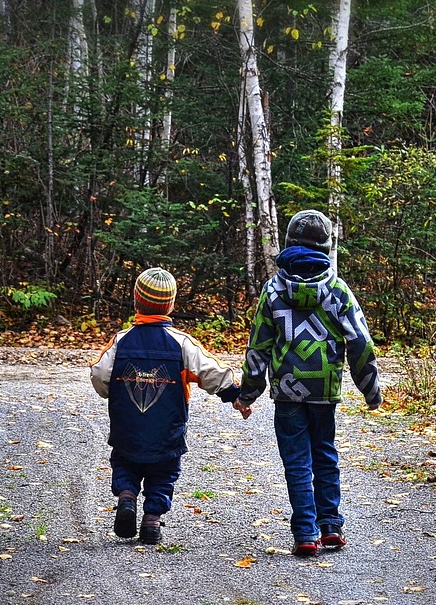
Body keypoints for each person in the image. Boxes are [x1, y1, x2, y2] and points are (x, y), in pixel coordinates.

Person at [235, 209, 381, 557]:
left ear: (288, 243)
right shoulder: (337, 291)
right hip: (324, 391)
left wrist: (248, 392)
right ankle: (330, 525)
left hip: (287, 392)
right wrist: (370, 389)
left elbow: (259, 346)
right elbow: (360, 342)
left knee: (297, 461)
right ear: (326, 246)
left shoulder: (273, 290)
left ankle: (305, 533)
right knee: (325, 454)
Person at [90, 267, 250, 544]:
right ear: (171, 304)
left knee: (124, 463)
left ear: (136, 300)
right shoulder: (182, 344)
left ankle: (127, 497)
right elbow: (211, 371)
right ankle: (152, 521)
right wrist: (235, 394)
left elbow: (99, 374)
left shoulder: (120, 341)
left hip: (127, 428)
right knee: (164, 474)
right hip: (167, 431)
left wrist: (110, 392)